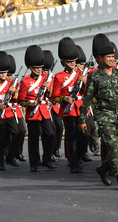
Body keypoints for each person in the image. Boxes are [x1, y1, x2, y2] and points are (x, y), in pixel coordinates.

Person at [79, 33, 118, 190]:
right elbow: (87, 99)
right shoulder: (95, 76)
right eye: (108, 57)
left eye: (112, 56)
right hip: (104, 117)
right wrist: (82, 119)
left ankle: (103, 169)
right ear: (100, 59)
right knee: (113, 147)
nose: (112, 59)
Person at [53, 37, 91, 174]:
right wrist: (64, 99)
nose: (73, 63)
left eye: (74, 60)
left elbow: (88, 92)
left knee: (85, 134)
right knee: (71, 137)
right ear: (63, 62)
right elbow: (55, 96)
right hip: (68, 110)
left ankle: (79, 156)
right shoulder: (59, 76)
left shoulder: (81, 74)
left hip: (80, 107)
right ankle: (74, 162)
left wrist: (85, 82)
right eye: (69, 61)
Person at [18, 45, 56, 172]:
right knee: (33, 139)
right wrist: (30, 104)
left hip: (44, 111)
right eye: (36, 67)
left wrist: (49, 88)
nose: (39, 70)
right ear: (30, 67)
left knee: (50, 134)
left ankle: (47, 159)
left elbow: (52, 96)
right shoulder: (25, 81)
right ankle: (34, 162)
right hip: (33, 113)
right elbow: (21, 100)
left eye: (40, 67)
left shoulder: (46, 79)